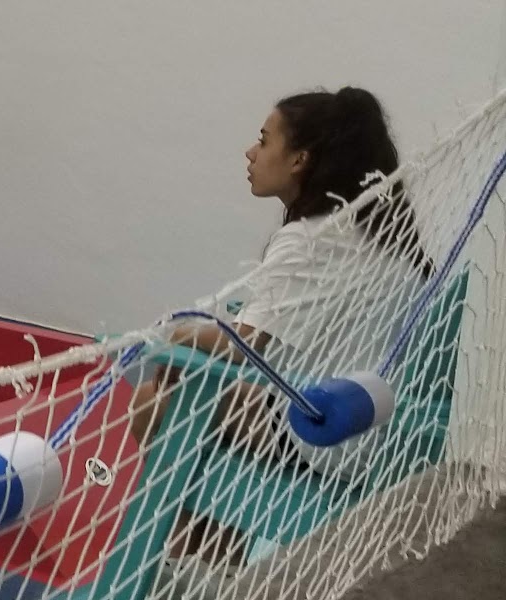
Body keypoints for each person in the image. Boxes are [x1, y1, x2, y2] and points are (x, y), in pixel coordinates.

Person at [129, 87, 429, 563]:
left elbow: (244, 345)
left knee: (154, 397)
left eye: (264, 140)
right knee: (200, 393)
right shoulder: (389, 239)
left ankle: (186, 559)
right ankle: (205, 560)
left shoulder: (307, 239)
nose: (251, 153)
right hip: (381, 437)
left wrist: (177, 331)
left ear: (299, 160)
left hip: (322, 434)